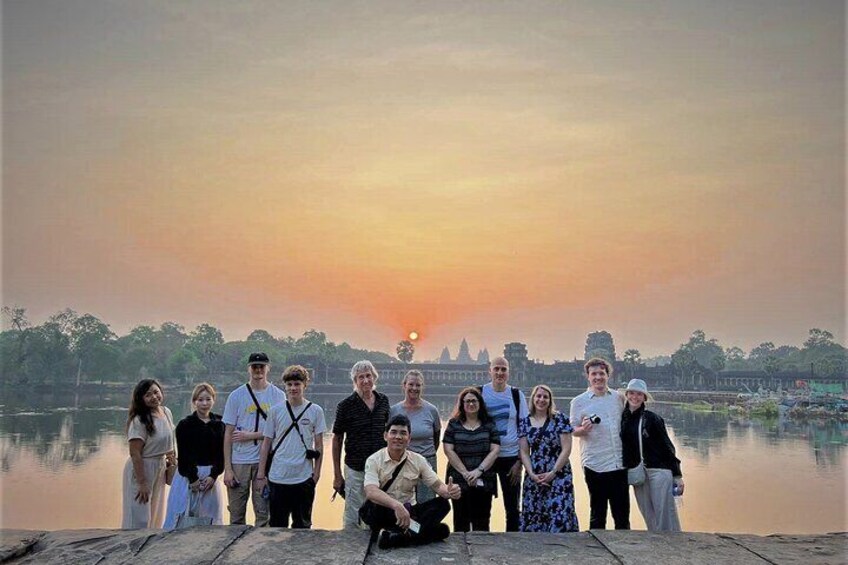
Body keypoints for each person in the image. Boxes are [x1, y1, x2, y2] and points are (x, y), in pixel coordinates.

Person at [362, 415, 462, 549]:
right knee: (376, 508)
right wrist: (396, 506)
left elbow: (437, 486)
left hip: (410, 512)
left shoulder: (418, 460)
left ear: (409, 439)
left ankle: (400, 537)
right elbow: (371, 491)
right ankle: (423, 533)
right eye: (394, 432)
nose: (398, 437)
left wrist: (450, 491)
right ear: (386, 436)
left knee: (443, 504)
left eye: (403, 433)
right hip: (385, 511)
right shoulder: (374, 460)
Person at [256, 365, 326, 528]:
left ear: (304, 385)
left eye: (297, 384)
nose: (293, 388)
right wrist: (261, 474)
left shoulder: (315, 411)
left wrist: (316, 474)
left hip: (303, 477)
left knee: (302, 526)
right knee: (277, 527)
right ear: (284, 386)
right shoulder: (275, 411)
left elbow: (319, 445)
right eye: (289, 384)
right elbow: (266, 444)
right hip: (278, 476)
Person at [222, 352, 286, 526]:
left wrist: (252, 435)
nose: (258, 370)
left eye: (262, 366)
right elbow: (228, 433)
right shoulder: (236, 396)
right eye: (255, 367)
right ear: (249, 369)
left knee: (263, 514)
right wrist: (227, 468)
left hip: (264, 461)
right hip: (239, 461)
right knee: (236, 514)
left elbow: (280, 430)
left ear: (268, 368)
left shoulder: (278, 396)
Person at [570, 357, 629, 530]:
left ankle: (624, 552)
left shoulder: (619, 398)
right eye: (594, 374)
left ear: (607, 375)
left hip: (619, 463)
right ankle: (596, 554)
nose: (598, 377)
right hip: (594, 464)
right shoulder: (579, 401)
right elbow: (572, 430)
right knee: (597, 514)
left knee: (622, 515)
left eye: (601, 373)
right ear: (588, 377)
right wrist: (583, 429)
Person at [332, 360, 391, 529]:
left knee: (377, 509)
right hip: (355, 467)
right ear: (355, 381)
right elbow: (337, 439)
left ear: (374, 378)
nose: (365, 380)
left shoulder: (383, 401)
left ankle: (374, 545)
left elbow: (389, 434)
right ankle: (350, 547)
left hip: (380, 468)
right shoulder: (345, 406)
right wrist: (337, 474)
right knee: (353, 512)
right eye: (361, 377)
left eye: (368, 376)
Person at [621, 378, 684, 531]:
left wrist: (677, 475)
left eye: (639, 394)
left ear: (644, 398)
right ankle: (656, 546)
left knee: (664, 514)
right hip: (637, 471)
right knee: (648, 513)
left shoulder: (652, 418)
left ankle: (672, 545)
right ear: (627, 394)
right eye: (632, 393)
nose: (635, 397)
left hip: (659, 470)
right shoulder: (623, 418)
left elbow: (667, 447)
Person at [163, 382, 225, 530]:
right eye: (200, 399)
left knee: (210, 518)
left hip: (210, 476)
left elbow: (221, 454)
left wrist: (214, 475)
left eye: (208, 399)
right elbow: (184, 455)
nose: (204, 403)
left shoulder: (220, 423)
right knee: (182, 517)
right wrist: (193, 479)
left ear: (213, 400)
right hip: (188, 477)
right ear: (194, 401)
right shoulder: (185, 425)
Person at [518, 384, 579, 532]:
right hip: (535, 474)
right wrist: (531, 474)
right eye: (538, 396)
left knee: (559, 511)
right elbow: (524, 452)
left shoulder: (560, 419)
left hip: (559, 472)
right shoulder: (525, 422)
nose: (541, 400)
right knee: (535, 513)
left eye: (545, 397)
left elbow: (566, 449)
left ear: (550, 400)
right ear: (533, 399)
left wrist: (553, 473)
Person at [479, 356, 528, 531]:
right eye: (496, 368)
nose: (500, 372)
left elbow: (524, 430)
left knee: (513, 507)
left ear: (508, 372)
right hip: (486, 459)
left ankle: (513, 545)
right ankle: (481, 543)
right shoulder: (480, 393)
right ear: (489, 370)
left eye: (503, 369)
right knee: (483, 507)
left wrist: (519, 462)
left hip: (510, 458)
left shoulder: (516, 395)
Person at [442, 387, 501, 532]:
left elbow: (495, 450)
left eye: (474, 401)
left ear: (480, 403)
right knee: (460, 522)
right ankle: (461, 554)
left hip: (484, 478)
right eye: (467, 401)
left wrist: (478, 471)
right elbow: (448, 450)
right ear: (462, 404)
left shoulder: (489, 424)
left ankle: (482, 553)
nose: (471, 404)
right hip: (459, 480)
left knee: (482, 522)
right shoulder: (453, 424)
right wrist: (465, 473)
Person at [121, 379, 176, 529]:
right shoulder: (139, 420)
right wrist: (142, 482)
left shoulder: (166, 412)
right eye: (148, 395)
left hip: (159, 467)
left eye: (156, 392)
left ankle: (149, 549)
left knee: (156, 513)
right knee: (140, 517)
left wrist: (172, 461)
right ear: (141, 399)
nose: (154, 397)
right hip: (141, 468)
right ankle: (132, 548)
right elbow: (135, 453)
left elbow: (170, 439)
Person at [389, 370, 441, 503]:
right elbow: (390, 437)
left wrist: (425, 453)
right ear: (404, 385)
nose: (414, 388)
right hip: (402, 462)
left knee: (427, 504)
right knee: (402, 503)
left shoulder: (431, 410)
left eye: (418, 385)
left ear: (422, 387)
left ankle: (426, 525)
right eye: (411, 384)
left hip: (427, 460)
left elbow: (436, 437)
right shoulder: (394, 411)